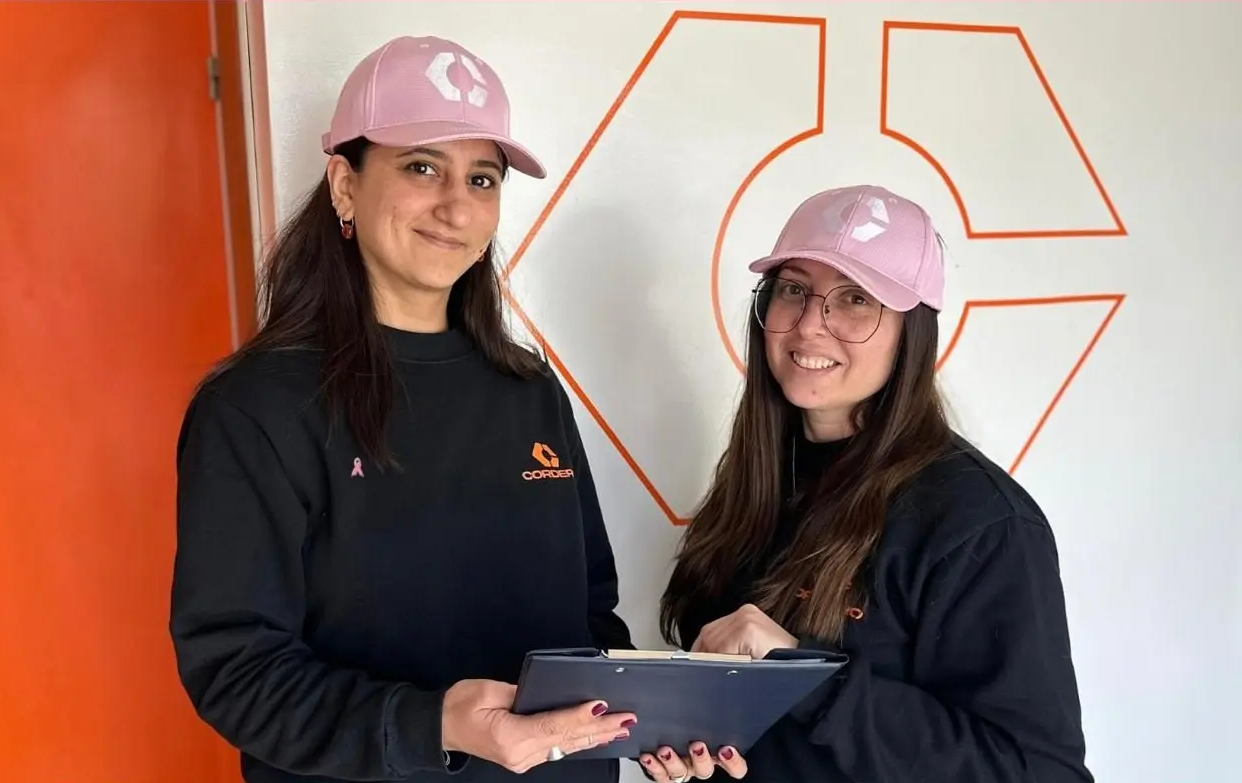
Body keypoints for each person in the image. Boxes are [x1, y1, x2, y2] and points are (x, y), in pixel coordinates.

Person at [168, 35, 638, 783]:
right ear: (344, 184)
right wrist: (432, 725)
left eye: (482, 179)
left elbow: (590, 614)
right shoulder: (257, 408)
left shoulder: (530, 392)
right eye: (422, 167)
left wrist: (642, 719)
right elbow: (237, 669)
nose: (456, 206)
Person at [641, 185, 1093, 782]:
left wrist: (805, 676)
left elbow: (1039, 771)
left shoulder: (980, 523)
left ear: (913, 332)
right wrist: (686, 729)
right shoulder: (758, 481)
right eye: (794, 289)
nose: (810, 325)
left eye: (855, 298)